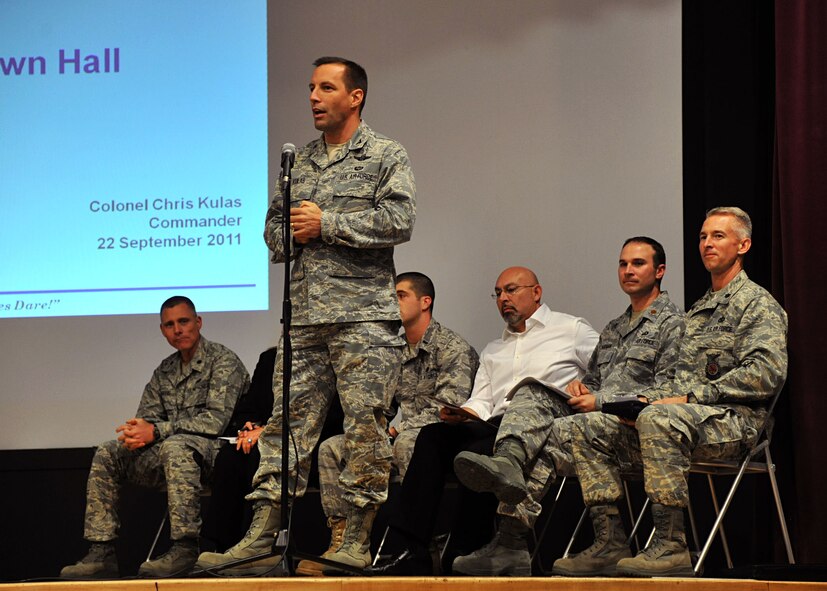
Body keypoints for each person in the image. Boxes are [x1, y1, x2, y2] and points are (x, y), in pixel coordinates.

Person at [195, 56, 415, 575]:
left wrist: (328, 223)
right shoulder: (301, 162)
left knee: (364, 427)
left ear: (355, 96)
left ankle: (356, 539)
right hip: (305, 320)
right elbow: (272, 230)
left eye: (326, 88)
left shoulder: (385, 153)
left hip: (363, 321)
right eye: (310, 88)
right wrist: (292, 231)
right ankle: (262, 535)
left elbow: (400, 219)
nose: (314, 97)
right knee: (285, 427)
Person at [553, 207, 787, 578]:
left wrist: (688, 400)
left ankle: (670, 545)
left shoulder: (758, 305)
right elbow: (675, 380)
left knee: (660, 419)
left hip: (735, 424)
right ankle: (610, 541)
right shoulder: (697, 312)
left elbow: (766, 374)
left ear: (744, 245)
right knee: (590, 426)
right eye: (703, 236)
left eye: (718, 236)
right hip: (682, 419)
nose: (707, 244)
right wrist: (647, 401)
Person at [450, 237, 685, 576]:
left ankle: (520, 539)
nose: (628, 270)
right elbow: (595, 379)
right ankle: (510, 481)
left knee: (553, 435)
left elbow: (670, 390)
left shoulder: (673, 324)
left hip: (641, 431)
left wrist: (599, 400)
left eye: (638, 263)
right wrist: (583, 387)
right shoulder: (615, 329)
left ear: (659, 270)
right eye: (623, 264)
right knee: (534, 393)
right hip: (598, 429)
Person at [366, 266, 598, 576]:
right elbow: (482, 401)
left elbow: (607, 365)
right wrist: (462, 412)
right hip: (495, 422)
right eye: (498, 293)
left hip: (543, 425)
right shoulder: (493, 349)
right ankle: (412, 550)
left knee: (478, 451)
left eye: (512, 290)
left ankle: (466, 549)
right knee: (434, 437)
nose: (504, 298)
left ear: (536, 292)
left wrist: (589, 389)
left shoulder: (571, 329)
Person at [295, 272, 479, 576]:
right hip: (400, 436)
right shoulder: (391, 349)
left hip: (443, 439)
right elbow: (381, 405)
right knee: (332, 448)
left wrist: (396, 431)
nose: (392, 302)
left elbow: (450, 408)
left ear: (425, 302)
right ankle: (346, 543)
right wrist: (373, 431)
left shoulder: (452, 348)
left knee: (411, 444)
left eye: (400, 295)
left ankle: (421, 545)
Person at [59, 296, 250, 579]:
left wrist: (157, 431)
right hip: (172, 456)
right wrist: (137, 435)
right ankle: (102, 552)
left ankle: (185, 547)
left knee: (175, 446)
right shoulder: (165, 370)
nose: (178, 330)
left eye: (184, 321)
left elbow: (215, 422)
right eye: (170, 325)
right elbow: (147, 419)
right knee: (108, 451)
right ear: (162, 330)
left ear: (198, 322)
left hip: (219, 458)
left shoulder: (223, 361)